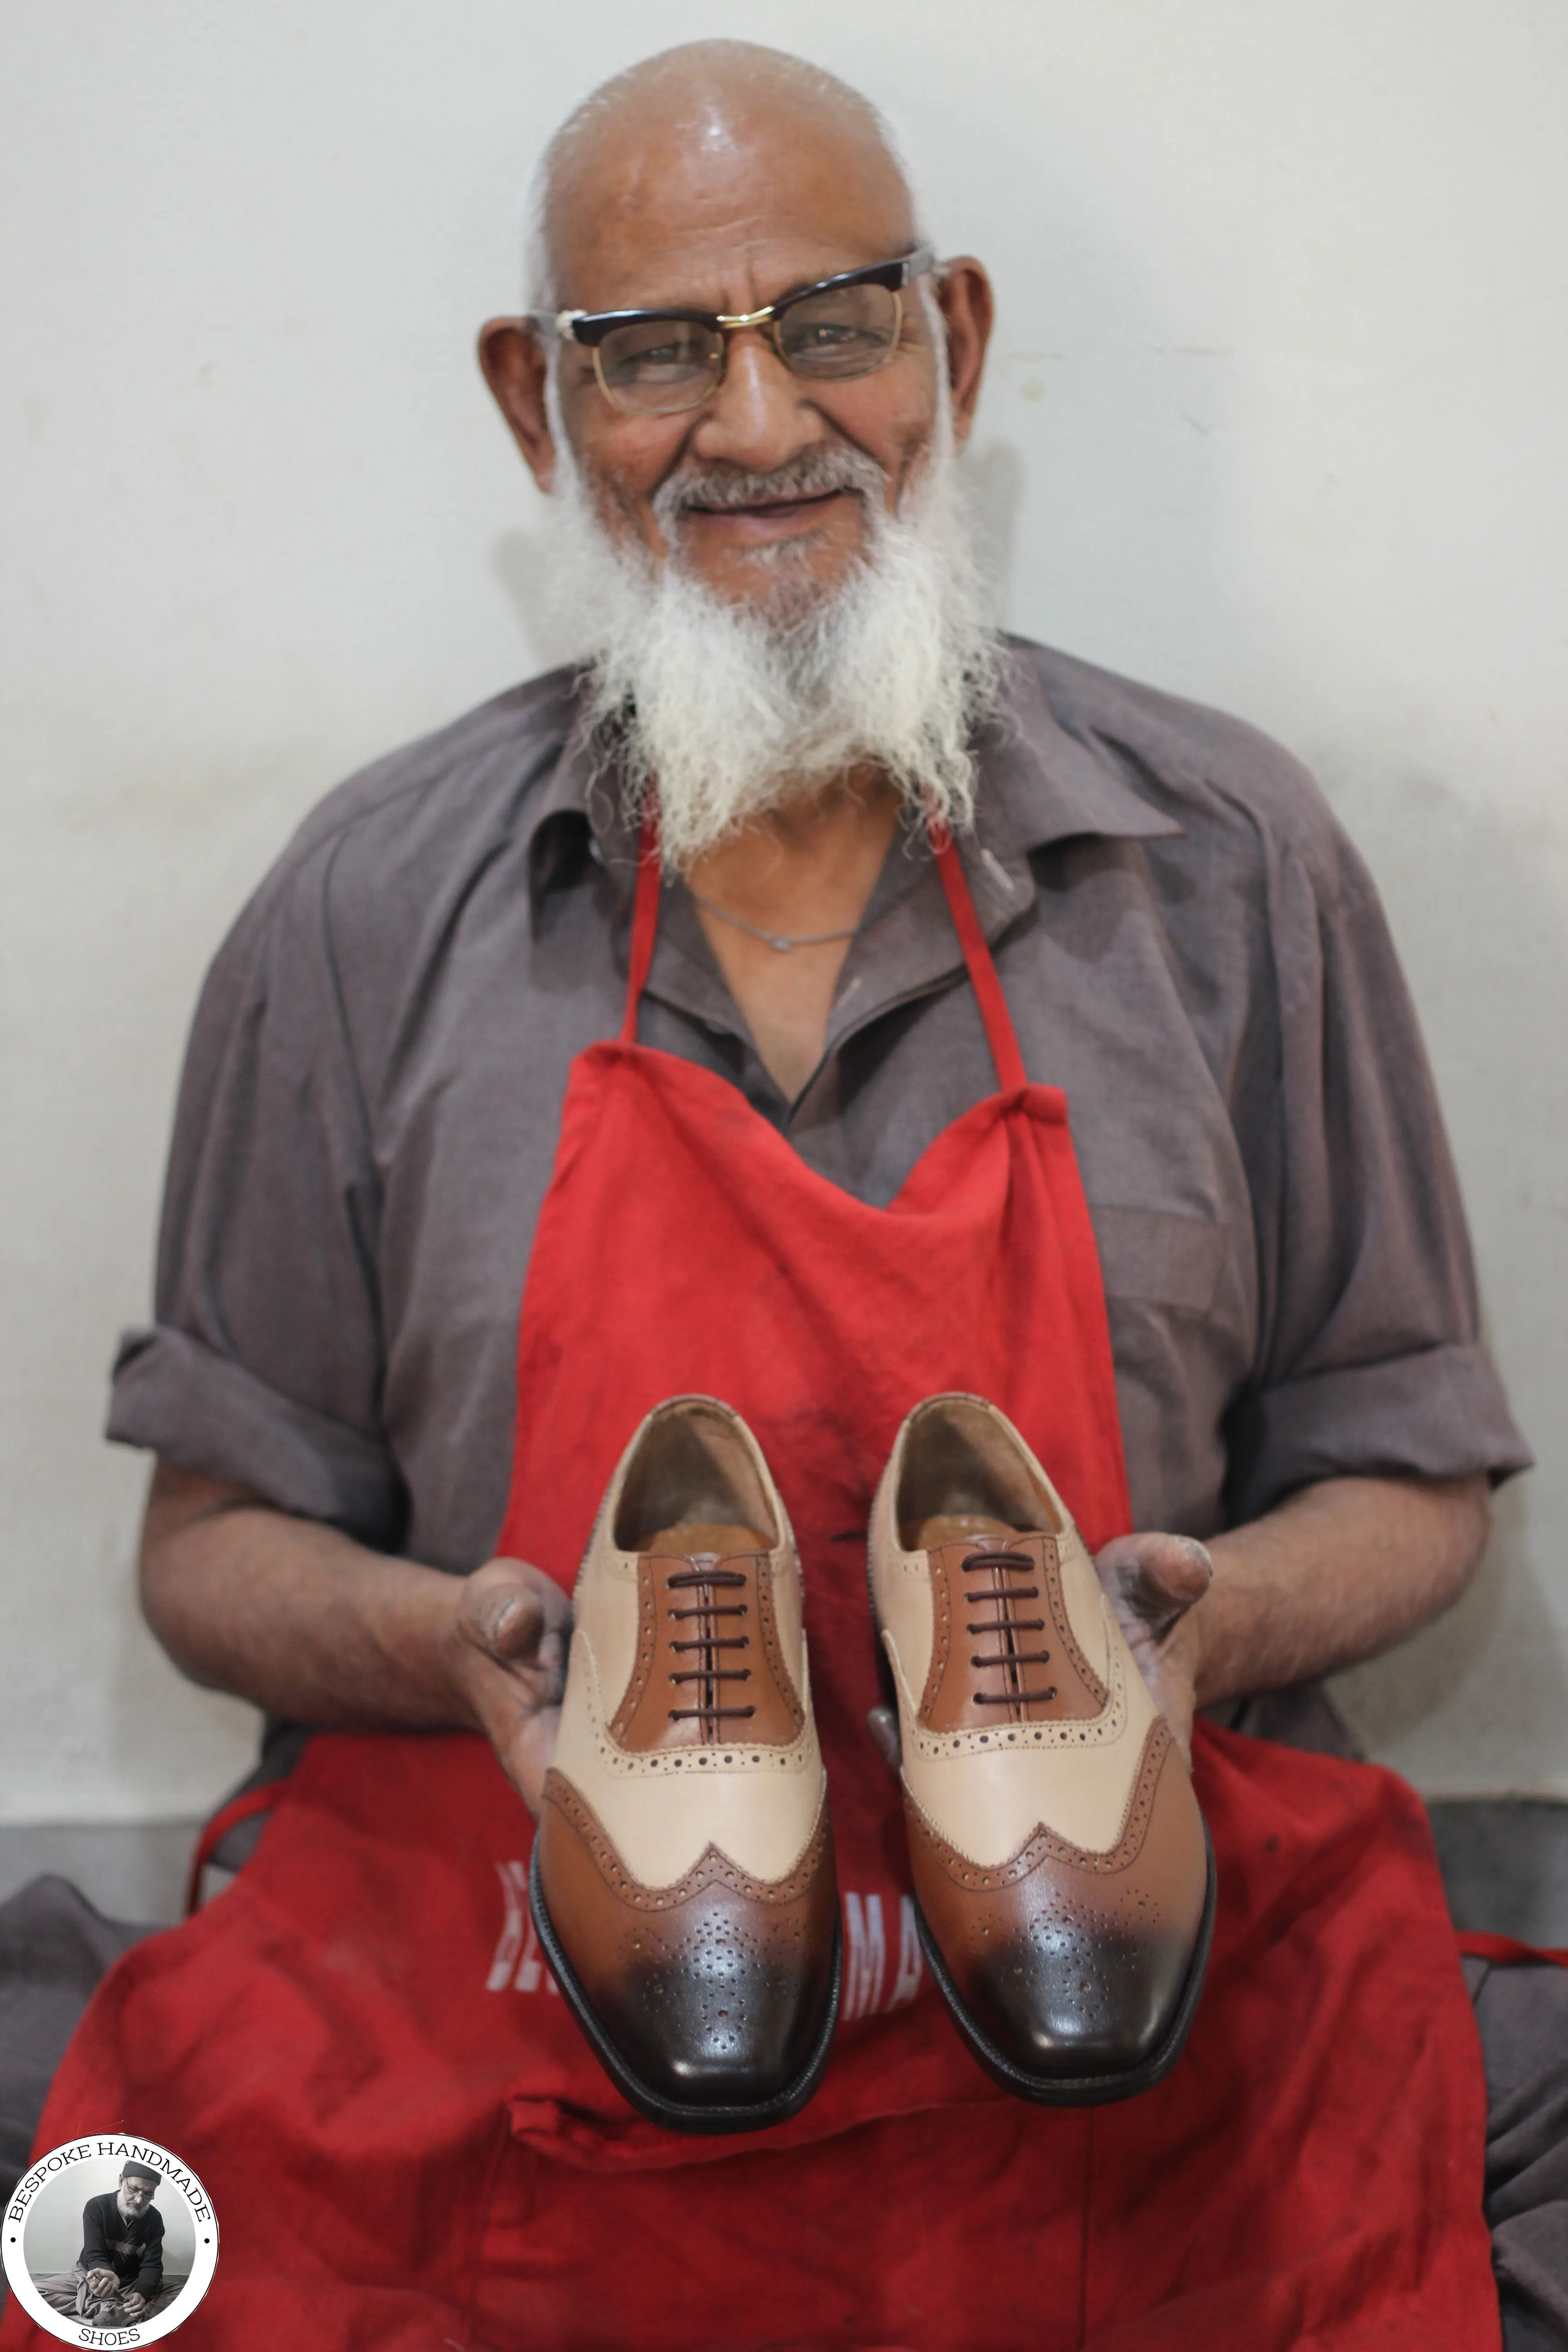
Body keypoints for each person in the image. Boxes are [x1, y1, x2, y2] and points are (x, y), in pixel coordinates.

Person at [15, 36, 1564, 2352]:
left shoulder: (1230, 869)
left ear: (947, 342)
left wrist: (1202, 1623)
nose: (754, 432)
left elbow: (1412, 1472)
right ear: (534, 405)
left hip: (1120, 1944)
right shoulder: (361, 910)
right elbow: (212, 1551)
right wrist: (451, 1642)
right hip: (538, 1965)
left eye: (827, 325)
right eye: (651, 355)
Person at [33, 2163, 177, 2328]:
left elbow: (152, 2265)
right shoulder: (97, 2206)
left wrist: (142, 2293)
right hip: (90, 2278)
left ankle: (115, 2309)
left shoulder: (155, 2219)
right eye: (134, 2189)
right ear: (122, 2180)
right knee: (31, 2293)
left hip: (131, 2285)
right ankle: (116, 2311)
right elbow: (94, 2254)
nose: (139, 2200)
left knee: (188, 2294)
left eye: (148, 2194)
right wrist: (103, 2277)